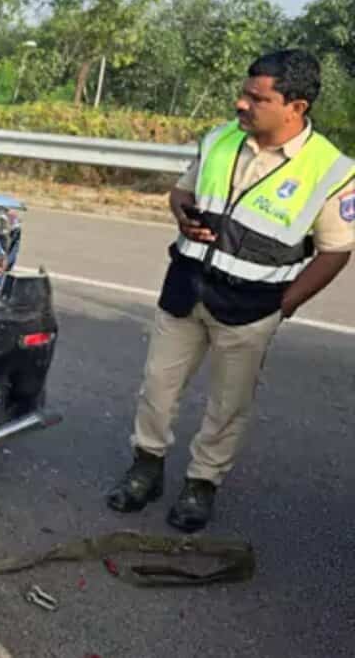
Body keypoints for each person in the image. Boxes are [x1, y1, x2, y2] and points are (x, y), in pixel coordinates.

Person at [107, 49, 354, 532]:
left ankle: (202, 484)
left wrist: (285, 305)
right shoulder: (221, 138)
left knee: (228, 405)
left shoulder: (333, 170)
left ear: (295, 107)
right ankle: (147, 467)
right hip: (186, 289)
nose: (241, 104)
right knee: (158, 386)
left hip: (252, 307)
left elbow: (335, 251)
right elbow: (182, 190)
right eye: (243, 93)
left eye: (256, 98)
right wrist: (181, 212)